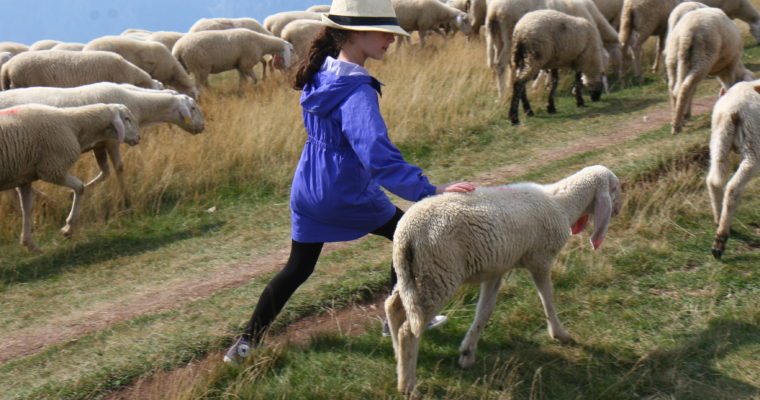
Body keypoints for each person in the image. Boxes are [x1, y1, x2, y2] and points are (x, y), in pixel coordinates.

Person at [224, 0, 476, 364]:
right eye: (384, 32)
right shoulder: (357, 90)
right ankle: (395, 319)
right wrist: (429, 191)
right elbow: (376, 154)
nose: (391, 39)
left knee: (297, 268)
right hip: (344, 188)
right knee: (408, 233)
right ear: (357, 32)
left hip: (309, 185)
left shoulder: (321, 71)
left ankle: (245, 344)